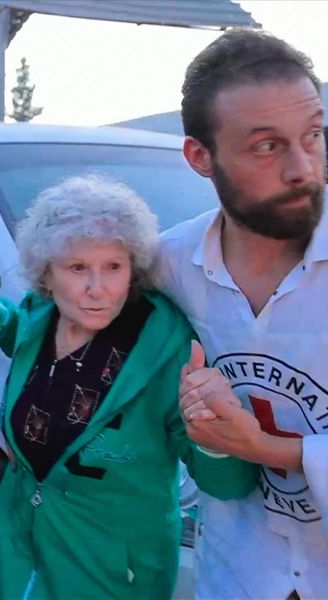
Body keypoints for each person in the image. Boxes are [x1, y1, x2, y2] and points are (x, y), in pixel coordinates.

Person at [0, 175, 258, 599]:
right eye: (77, 268)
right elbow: (17, 329)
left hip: (112, 575)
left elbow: (229, 485)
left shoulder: (166, 351)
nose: (98, 289)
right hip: (18, 549)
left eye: (113, 267)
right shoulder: (43, 315)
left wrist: (215, 431)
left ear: (133, 268)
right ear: (47, 275)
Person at [163, 29, 328, 598]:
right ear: (200, 157)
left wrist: (267, 450)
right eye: (266, 146)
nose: (303, 169)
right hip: (235, 576)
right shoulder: (169, 262)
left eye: (314, 134)